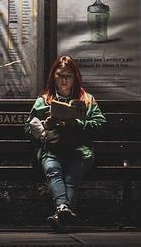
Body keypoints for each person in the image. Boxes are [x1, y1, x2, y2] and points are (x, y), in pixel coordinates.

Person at [24, 55, 107, 232]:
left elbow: (100, 123)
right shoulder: (43, 101)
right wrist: (44, 129)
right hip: (52, 150)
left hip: (79, 151)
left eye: (68, 76)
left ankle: (60, 212)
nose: (63, 80)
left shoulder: (86, 100)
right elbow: (28, 126)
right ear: (53, 76)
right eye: (59, 75)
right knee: (52, 171)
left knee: (71, 178)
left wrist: (77, 123)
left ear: (75, 77)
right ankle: (63, 212)